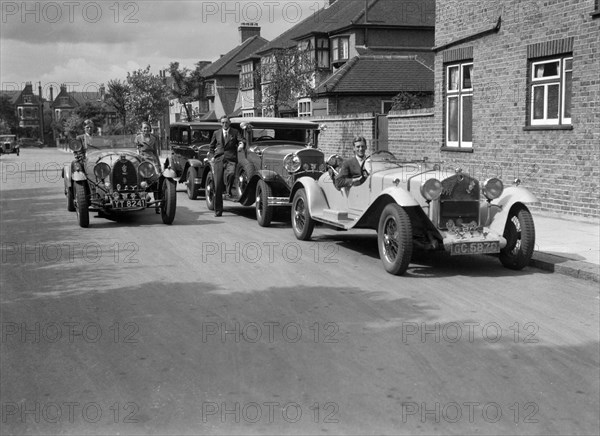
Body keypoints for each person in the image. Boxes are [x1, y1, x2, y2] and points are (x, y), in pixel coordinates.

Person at [209, 115, 245, 217]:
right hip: (219, 159)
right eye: (223, 122)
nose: (224, 124)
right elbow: (211, 147)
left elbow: (241, 140)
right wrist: (211, 157)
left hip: (231, 159)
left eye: (226, 122)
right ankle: (218, 210)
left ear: (229, 123)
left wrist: (241, 145)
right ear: (221, 123)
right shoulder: (216, 133)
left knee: (231, 174)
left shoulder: (235, 132)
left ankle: (228, 190)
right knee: (218, 185)